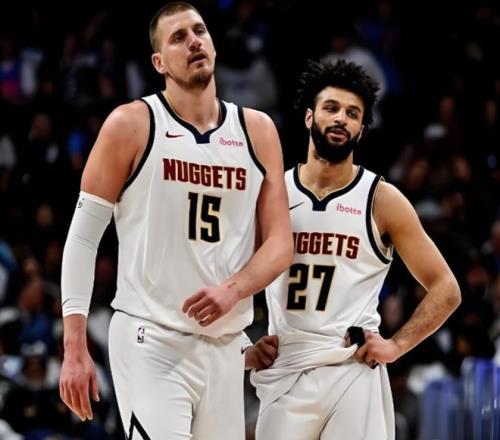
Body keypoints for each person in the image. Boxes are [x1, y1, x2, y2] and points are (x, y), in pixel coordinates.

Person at [58, 2, 293, 439]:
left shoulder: (258, 131)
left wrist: (233, 290)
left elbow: (280, 244)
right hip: (151, 338)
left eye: (200, 31)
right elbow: (83, 238)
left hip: (226, 347)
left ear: (214, 44)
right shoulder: (130, 124)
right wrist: (74, 346)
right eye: (179, 38)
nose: (194, 42)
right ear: (159, 63)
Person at [249, 59, 461, 440]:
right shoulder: (272, 194)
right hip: (287, 365)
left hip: (352, 367)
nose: (341, 119)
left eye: (352, 114)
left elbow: (446, 288)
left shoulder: (381, 199)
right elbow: (225, 273)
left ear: (361, 130)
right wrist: (243, 347)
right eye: (331, 108)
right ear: (309, 117)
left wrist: (396, 345)